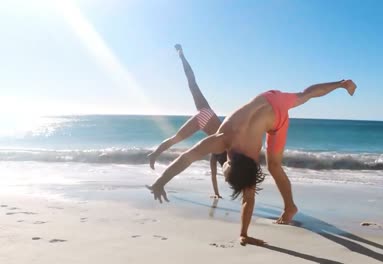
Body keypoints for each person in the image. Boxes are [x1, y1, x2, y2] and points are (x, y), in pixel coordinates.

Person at [148, 79, 357, 245]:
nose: (224, 168)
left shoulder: (239, 152)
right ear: (232, 163)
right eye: (226, 169)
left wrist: (244, 234)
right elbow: (186, 158)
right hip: (271, 100)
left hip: (275, 117)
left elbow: (247, 198)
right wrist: (160, 182)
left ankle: (290, 207)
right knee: (305, 95)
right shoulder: (224, 139)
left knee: (275, 164)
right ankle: (342, 83)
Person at [148, 44, 226, 198]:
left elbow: (214, 174)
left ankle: (155, 154)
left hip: (206, 114)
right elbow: (213, 175)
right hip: (203, 119)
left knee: (192, 82)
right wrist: (216, 193)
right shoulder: (214, 151)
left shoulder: (223, 147)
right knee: (176, 138)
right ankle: (181, 55)